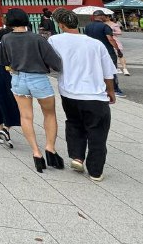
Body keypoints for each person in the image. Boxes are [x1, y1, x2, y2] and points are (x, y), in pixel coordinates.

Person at [48, 9, 116, 181]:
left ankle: (77, 157)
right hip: (94, 94)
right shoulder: (95, 44)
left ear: (61, 25)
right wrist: (110, 91)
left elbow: (50, 63)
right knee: (98, 132)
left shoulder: (54, 40)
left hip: (69, 92)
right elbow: (108, 73)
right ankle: (95, 171)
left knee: (74, 124)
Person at [0, 8, 63, 173]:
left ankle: (36, 152)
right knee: (49, 114)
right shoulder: (37, 38)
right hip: (38, 78)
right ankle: (50, 148)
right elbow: (55, 62)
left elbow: (4, 61)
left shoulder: (5, 38)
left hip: (18, 78)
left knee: (26, 116)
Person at [84, 10, 125, 96]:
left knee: (97, 69)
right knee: (111, 70)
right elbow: (110, 39)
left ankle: (100, 87)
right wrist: (118, 50)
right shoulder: (105, 26)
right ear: (101, 16)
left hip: (93, 52)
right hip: (107, 51)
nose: (105, 17)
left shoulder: (87, 26)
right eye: (104, 16)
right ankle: (115, 89)